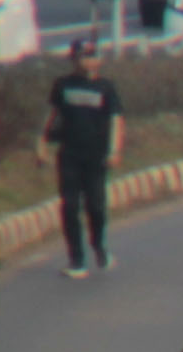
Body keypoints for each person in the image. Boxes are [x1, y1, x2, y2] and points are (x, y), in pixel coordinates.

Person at [45, 37, 125, 277]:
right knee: (69, 206)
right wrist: (41, 144)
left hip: (96, 157)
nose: (88, 61)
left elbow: (116, 121)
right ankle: (76, 259)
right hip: (69, 155)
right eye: (83, 56)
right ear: (73, 59)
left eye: (92, 56)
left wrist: (114, 150)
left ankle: (99, 245)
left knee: (96, 206)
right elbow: (51, 115)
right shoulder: (62, 86)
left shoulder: (106, 88)